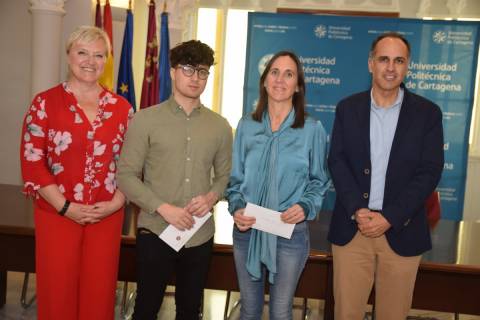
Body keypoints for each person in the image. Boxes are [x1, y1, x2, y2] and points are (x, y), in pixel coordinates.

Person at [328, 32, 444, 319]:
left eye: (398, 60)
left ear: (407, 67)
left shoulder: (428, 114)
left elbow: (429, 171)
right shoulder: (347, 108)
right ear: (370, 63)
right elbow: (337, 161)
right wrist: (358, 209)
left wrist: (390, 216)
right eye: (383, 59)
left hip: (402, 230)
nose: (390, 67)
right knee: (345, 314)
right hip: (353, 230)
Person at [20, 26, 132, 320]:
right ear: (69, 55)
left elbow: (134, 165)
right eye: (82, 52)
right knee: (58, 293)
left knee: (99, 293)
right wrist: (66, 207)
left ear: (106, 60)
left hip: (105, 215)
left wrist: (117, 202)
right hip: (57, 214)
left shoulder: (122, 109)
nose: (90, 61)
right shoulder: (44, 104)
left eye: (99, 55)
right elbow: (32, 161)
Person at [117, 40, 232, 320]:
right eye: (188, 69)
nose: (195, 78)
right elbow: (126, 176)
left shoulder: (220, 125)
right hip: (156, 230)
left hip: (199, 233)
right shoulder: (145, 120)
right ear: (172, 72)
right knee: (146, 308)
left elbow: (226, 175)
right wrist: (163, 208)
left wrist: (211, 196)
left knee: (191, 310)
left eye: (203, 72)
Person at [225, 51, 330, 319]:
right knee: (249, 310)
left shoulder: (312, 129)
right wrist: (236, 207)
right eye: (274, 72)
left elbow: (320, 181)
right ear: (264, 80)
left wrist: (306, 206)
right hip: (247, 230)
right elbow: (235, 180)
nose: (280, 80)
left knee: (281, 312)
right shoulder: (246, 126)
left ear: (298, 86)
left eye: (289, 74)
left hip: (289, 232)